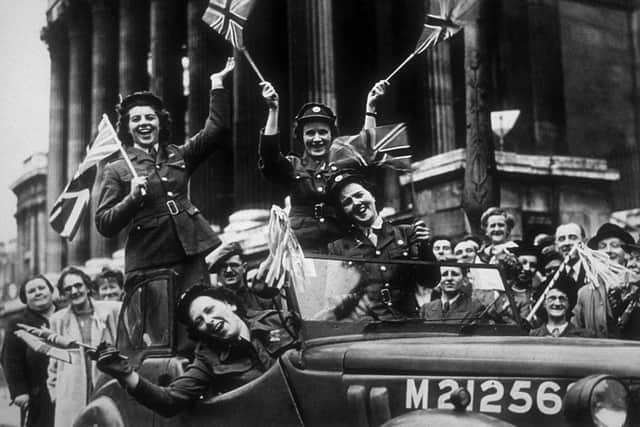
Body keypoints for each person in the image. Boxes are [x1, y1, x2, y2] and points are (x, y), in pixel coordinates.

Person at [95, 58, 235, 294]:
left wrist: (217, 84)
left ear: (160, 123)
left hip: (190, 254)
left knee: (197, 319)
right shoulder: (116, 169)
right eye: (136, 119)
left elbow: (216, 129)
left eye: (150, 118)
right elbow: (104, 223)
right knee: (160, 329)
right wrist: (131, 199)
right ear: (127, 128)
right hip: (149, 262)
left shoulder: (178, 154)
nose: (144, 124)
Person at [92, 285, 296, 418]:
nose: (208, 321)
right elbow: (169, 401)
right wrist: (126, 374)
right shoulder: (209, 358)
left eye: (209, 310)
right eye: (199, 321)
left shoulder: (279, 320)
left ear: (229, 304)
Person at [258, 79, 389, 253]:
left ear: (332, 135)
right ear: (302, 138)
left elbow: (366, 148)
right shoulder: (292, 165)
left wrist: (370, 107)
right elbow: (269, 157)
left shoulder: (343, 162)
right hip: (303, 248)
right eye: (310, 133)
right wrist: (273, 110)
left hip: (342, 244)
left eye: (323, 132)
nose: (317, 139)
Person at [326, 173, 434, 319]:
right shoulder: (337, 248)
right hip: (366, 329)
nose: (357, 203)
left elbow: (430, 280)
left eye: (359, 195)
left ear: (373, 196)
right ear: (344, 212)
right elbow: (334, 298)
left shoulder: (406, 233)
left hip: (409, 325)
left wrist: (425, 246)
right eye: (347, 202)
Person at [47, 267, 121, 427]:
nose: (74, 291)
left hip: (106, 388)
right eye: (68, 288)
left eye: (78, 285)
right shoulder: (57, 320)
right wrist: (57, 395)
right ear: (64, 293)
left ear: (88, 287)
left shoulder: (112, 310)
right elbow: (53, 366)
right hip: (72, 395)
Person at [1, 276, 56, 427]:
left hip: (69, 388)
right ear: (25, 298)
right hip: (38, 394)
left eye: (42, 288)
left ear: (51, 291)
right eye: (32, 291)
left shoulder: (66, 315)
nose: (38, 293)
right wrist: (19, 391)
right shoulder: (18, 324)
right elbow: (10, 360)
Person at [572, 223, 634, 338]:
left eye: (615, 245)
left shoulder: (636, 286)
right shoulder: (585, 293)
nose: (608, 251)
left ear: (626, 253)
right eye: (603, 246)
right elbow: (575, 330)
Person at [207, 241, 277, 312]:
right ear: (218, 273)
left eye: (234, 265)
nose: (228, 271)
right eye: (223, 267)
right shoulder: (218, 305)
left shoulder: (261, 299)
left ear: (244, 268)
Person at [420, 266, 484, 323]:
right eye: (444, 274)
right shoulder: (426, 308)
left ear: (464, 280)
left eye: (455, 274)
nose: (449, 278)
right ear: (437, 279)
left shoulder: (475, 307)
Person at [554, 222, 587, 288]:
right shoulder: (554, 277)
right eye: (561, 239)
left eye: (573, 238)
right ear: (556, 245)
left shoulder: (594, 272)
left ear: (584, 242)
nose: (567, 243)